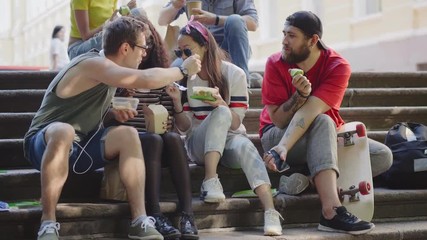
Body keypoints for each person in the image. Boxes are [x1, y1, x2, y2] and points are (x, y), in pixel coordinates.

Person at [23, 16, 201, 240]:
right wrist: (183, 70)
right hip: (43, 144)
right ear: (125, 48)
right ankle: (47, 222)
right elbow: (145, 79)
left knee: (128, 134)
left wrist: (110, 115)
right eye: (142, 47)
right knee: (64, 130)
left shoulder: (108, 72)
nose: (145, 53)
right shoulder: (93, 64)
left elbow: (83, 113)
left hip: (81, 146)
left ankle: (140, 221)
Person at [260, 11, 392, 235]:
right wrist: (297, 100)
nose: (283, 41)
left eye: (291, 35)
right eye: (283, 34)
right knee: (322, 121)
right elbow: (279, 120)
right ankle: (331, 211)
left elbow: (312, 110)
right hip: (277, 136)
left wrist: (306, 100)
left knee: (382, 155)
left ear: (312, 40)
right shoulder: (275, 63)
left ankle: (309, 179)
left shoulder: (337, 66)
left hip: (325, 135)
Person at [166, 18, 283, 236]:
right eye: (179, 52)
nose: (183, 58)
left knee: (246, 146)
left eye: (187, 51)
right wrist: (176, 103)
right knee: (220, 113)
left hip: (229, 138)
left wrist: (220, 103)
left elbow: (236, 122)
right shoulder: (183, 77)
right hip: (198, 144)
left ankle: (270, 211)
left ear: (205, 46)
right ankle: (210, 180)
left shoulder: (234, 74)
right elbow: (184, 128)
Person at [118, 10, 199, 240]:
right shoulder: (119, 79)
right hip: (132, 148)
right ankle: (154, 214)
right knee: (152, 139)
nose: (143, 54)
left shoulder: (164, 80)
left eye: (147, 45)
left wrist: (175, 102)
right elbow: (106, 121)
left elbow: (183, 127)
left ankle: (187, 214)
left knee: (171, 138)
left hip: (160, 150)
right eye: (140, 47)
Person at [158, 0, 262, 87]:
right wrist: (175, 5)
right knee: (174, 71)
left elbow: (253, 23)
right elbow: (162, 20)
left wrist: (216, 19)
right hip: (198, 49)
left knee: (235, 20)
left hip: (228, 49)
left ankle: (243, 83)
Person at [68, 0, 137, 59]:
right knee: (116, 35)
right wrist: (108, 24)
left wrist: (125, 13)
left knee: (136, 12)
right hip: (78, 47)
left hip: (102, 38)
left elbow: (113, 22)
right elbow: (85, 36)